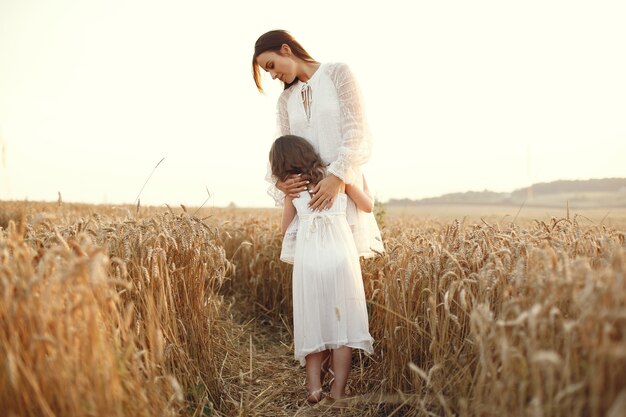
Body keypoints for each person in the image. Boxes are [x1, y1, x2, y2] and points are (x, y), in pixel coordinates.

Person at [269, 134, 374, 404]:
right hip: (340, 259)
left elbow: (285, 231)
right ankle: (338, 391)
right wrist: (357, 180)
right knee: (342, 328)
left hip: (309, 262)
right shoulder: (337, 180)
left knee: (313, 323)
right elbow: (367, 206)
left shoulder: (292, 191)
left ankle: (314, 389)